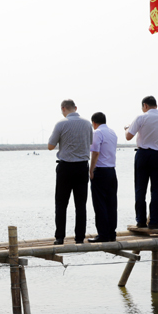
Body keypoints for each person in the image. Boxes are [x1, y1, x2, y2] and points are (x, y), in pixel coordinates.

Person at [47, 99, 93, 244]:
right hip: (82, 167)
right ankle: (79, 237)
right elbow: (90, 142)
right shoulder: (87, 123)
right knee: (81, 204)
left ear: (63, 109)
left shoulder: (61, 124)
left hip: (65, 167)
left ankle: (60, 237)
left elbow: (50, 146)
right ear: (75, 108)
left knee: (61, 203)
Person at [125, 95, 158, 229]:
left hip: (143, 154)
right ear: (155, 105)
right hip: (157, 155)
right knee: (156, 189)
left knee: (140, 188)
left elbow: (128, 136)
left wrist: (127, 128)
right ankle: (154, 221)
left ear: (145, 105)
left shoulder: (141, 117)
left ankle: (140, 220)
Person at [89, 112, 118, 242]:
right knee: (111, 203)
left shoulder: (97, 132)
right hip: (111, 171)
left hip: (100, 171)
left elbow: (95, 152)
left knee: (100, 204)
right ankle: (111, 233)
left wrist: (91, 170)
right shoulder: (112, 133)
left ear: (94, 123)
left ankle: (103, 234)